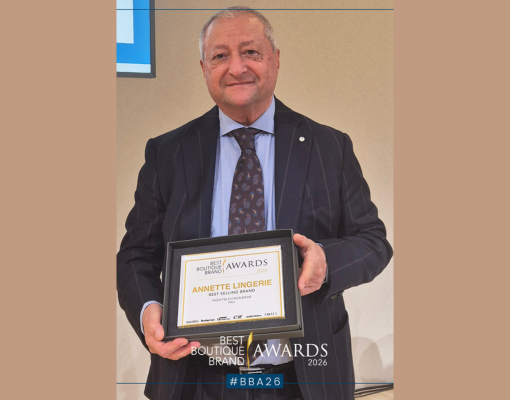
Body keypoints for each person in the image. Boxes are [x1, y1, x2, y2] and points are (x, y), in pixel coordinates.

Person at [117, 6, 393, 400]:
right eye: (220, 56)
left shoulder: (329, 147)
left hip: (301, 380)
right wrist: (149, 311)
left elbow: (373, 242)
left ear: (275, 60)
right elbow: (136, 255)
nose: (236, 68)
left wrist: (326, 262)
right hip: (196, 378)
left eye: (251, 52)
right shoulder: (168, 153)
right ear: (203, 68)